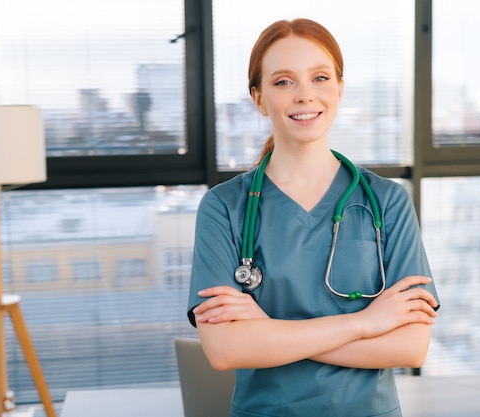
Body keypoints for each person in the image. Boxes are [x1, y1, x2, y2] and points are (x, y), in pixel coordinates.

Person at [187, 18, 440, 417]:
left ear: (339, 87)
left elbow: (409, 346)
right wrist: (366, 323)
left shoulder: (388, 201)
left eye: (320, 77)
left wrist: (268, 331)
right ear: (258, 98)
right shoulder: (225, 207)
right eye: (283, 82)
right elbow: (224, 350)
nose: (305, 95)